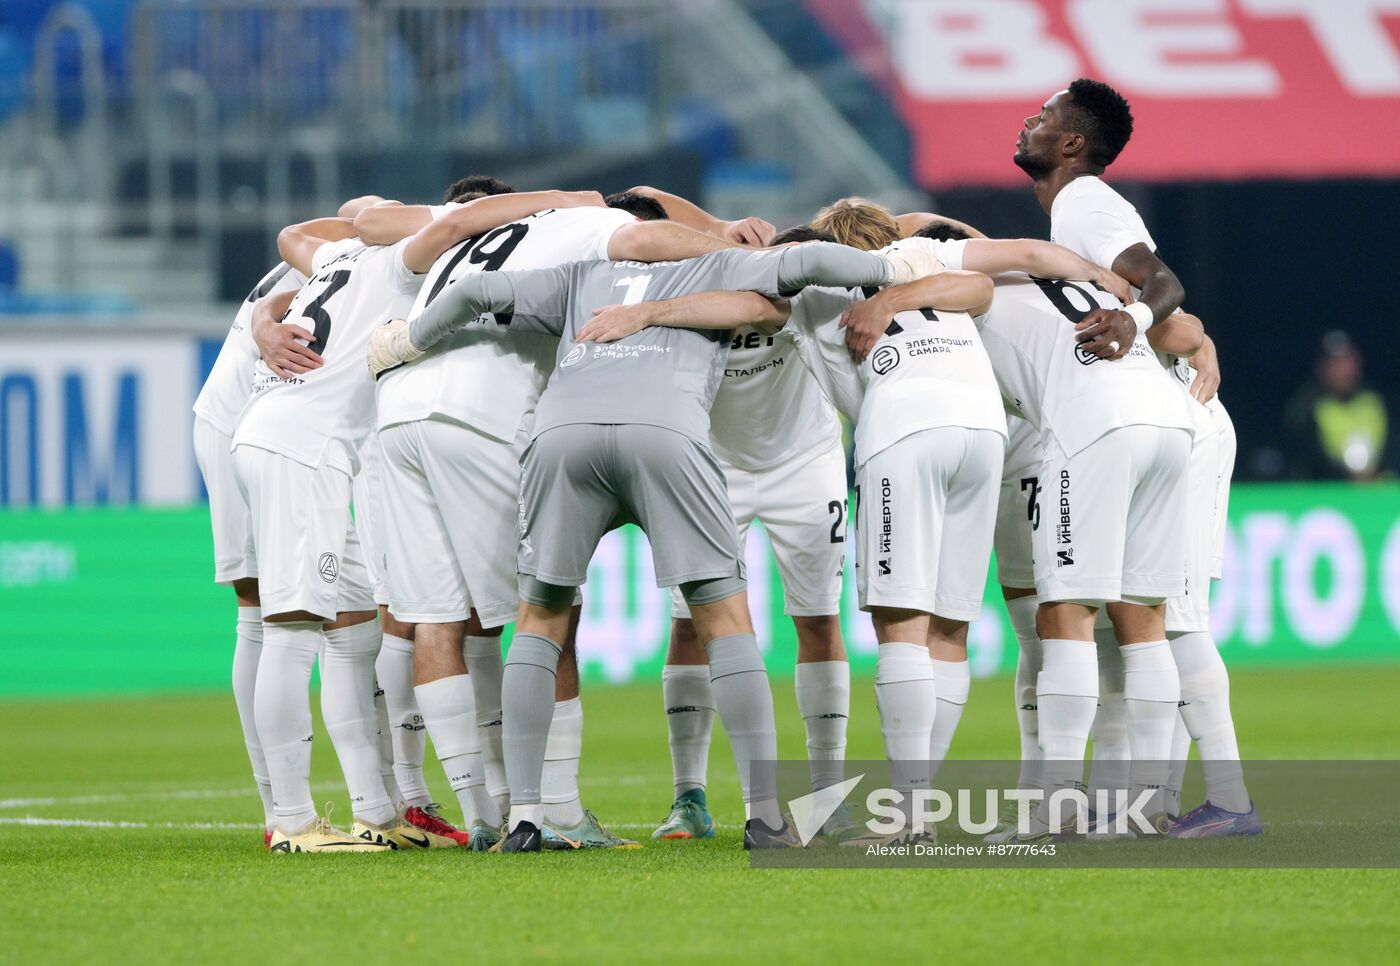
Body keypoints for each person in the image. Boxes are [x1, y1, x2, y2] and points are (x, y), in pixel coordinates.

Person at [368, 239, 940, 851]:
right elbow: (806, 263)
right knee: (722, 616)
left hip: (564, 435)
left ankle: (528, 817)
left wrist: (411, 339)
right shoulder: (717, 263)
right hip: (666, 432)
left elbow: (477, 291)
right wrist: (892, 269)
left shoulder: (578, 272)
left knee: (540, 619)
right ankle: (764, 815)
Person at [366, 187, 766, 850]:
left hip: (399, 405)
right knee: (542, 616)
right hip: (483, 412)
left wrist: (407, 338)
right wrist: (725, 242)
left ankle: (483, 815)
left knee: (434, 618)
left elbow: (367, 223)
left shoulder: (478, 231)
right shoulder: (593, 230)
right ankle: (553, 809)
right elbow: (641, 236)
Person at [618, 199, 854, 843]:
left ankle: (826, 794)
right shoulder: (700, 275)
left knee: (818, 618)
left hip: (805, 464)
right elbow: (648, 202)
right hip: (714, 469)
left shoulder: (810, 281)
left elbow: (906, 233)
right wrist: (717, 233)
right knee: (690, 626)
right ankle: (688, 798)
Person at [1285, 330, 1392, 481]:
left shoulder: (1378, 400)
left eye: (1348, 361)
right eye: (1336, 364)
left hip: (1382, 489)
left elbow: (1392, 448)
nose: (1344, 371)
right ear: (1321, 368)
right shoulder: (1306, 407)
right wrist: (1347, 474)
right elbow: (1306, 459)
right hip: (1329, 492)